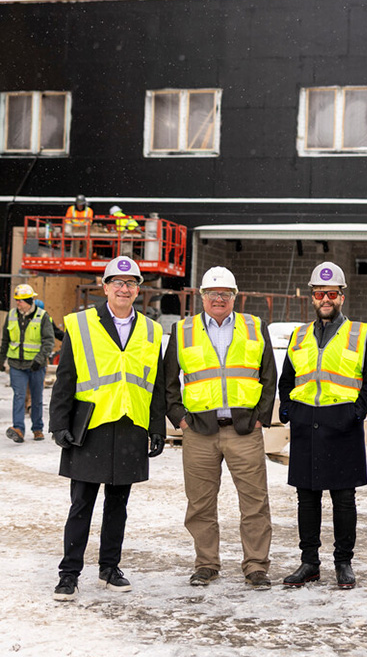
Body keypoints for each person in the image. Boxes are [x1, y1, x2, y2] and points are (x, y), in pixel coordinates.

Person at [49, 257, 165, 601]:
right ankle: (69, 573)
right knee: (81, 504)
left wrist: (156, 426)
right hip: (91, 427)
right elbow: (65, 378)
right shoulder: (82, 324)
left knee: (118, 504)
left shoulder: (151, 330)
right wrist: (59, 424)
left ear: (138, 290)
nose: (124, 288)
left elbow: (155, 384)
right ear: (105, 287)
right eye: (117, 282)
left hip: (131, 427)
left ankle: (109, 568)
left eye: (131, 283)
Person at [164, 266, 276, 589]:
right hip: (199, 431)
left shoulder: (255, 327)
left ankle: (256, 565)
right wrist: (181, 420)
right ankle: (206, 564)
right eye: (212, 294)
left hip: (244, 430)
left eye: (225, 294)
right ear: (201, 296)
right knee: (199, 503)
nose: (218, 299)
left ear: (234, 297)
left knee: (255, 502)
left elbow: (269, 377)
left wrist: (260, 417)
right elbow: (169, 384)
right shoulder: (183, 331)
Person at [278, 262, 367, 589]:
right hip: (307, 424)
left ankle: (343, 562)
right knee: (306, 498)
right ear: (312, 296)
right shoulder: (299, 335)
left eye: (332, 293)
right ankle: (309, 562)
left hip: (343, 426)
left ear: (342, 297)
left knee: (343, 498)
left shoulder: (361, 334)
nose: (326, 298)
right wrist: (289, 409)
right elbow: (287, 379)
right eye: (320, 293)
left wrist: (356, 413)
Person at [1, 283, 55, 443]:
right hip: (16, 365)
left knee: (36, 397)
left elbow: (48, 341)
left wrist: (39, 360)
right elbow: (5, 340)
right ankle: (18, 429)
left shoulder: (42, 316)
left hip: (36, 366)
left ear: (30, 300)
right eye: (17, 300)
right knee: (19, 396)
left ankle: (37, 428)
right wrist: (1, 358)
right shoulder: (11, 315)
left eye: (22, 300)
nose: (18, 303)